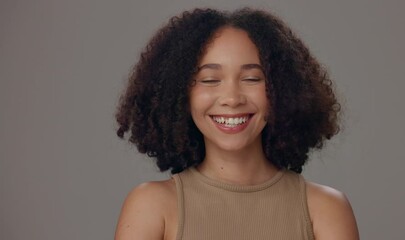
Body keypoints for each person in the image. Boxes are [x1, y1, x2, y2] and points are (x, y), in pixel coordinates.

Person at [114, 8, 359, 240]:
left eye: (251, 78)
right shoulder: (151, 206)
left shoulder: (326, 209)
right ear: (179, 94)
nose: (232, 99)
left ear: (282, 90)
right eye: (210, 80)